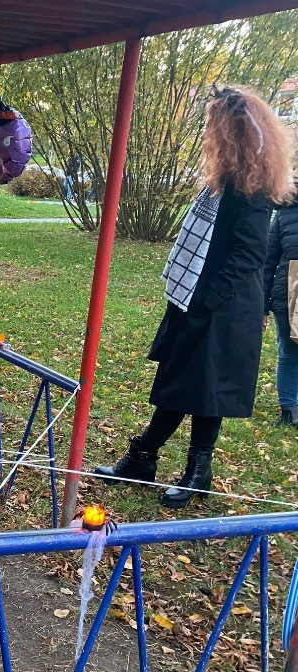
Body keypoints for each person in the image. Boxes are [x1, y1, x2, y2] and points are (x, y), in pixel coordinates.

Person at [93, 86, 294, 508]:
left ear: (231, 133)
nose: (208, 133)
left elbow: (248, 256)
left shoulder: (251, 191)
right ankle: (147, 458)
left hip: (225, 306)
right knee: (182, 381)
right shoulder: (228, 182)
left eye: (213, 126)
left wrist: (208, 302)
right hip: (201, 298)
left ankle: (188, 468)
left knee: (206, 388)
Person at [263, 176, 298, 427]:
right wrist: (262, 305)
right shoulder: (284, 213)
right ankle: (289, 409)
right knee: (289, 350)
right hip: (290, 290)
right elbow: (268, 263)